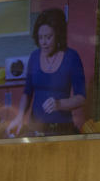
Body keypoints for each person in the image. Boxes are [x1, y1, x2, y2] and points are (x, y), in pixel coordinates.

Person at [7, 8, 86, 137]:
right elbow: (27, 93)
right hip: (35, 127)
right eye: (40, 37)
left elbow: (81, 98)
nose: (43, 42)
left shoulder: (71, 57)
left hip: (61, 129)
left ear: (58, 35)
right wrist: (20, 116)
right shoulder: (34, 57)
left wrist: (59, 104)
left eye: (48, 37)